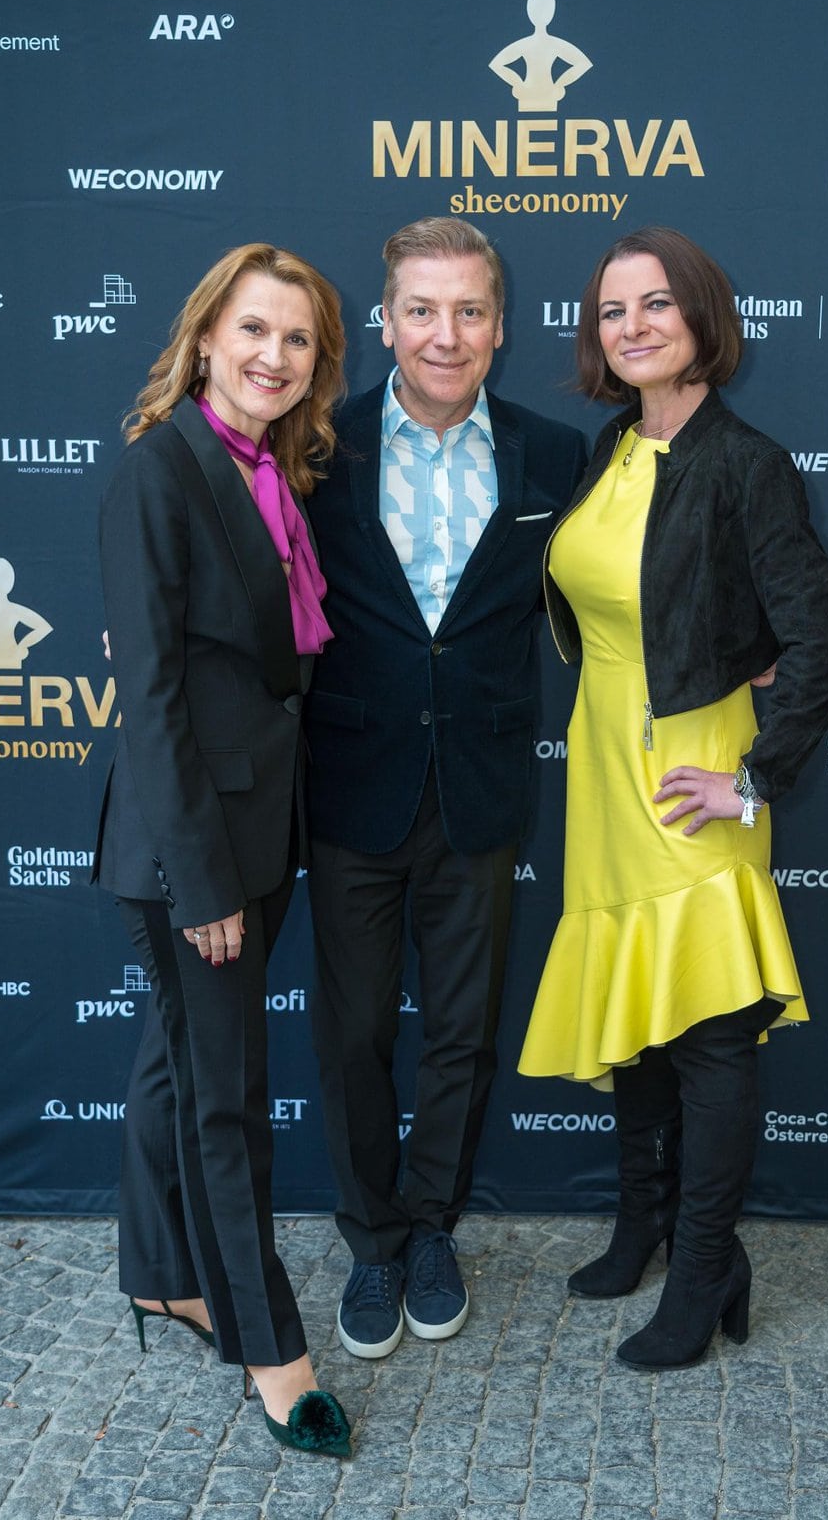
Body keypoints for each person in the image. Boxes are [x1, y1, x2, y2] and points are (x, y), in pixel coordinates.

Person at [518, 226, 828, 1370]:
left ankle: (707, 1263)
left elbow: (823, 640)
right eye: (613, 311)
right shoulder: (612, 445)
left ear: (702, 315)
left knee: (710, 1034)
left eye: (656, 303)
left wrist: (751, 778)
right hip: (603, 765)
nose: (633, 326)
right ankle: (644, 1226)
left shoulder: (745, 462)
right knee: (640, 1012)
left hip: (690, 775)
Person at [304, 217, 588, 1359]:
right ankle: (372, 1240)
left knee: (462, 1034)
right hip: (351, 783)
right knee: (355, 1032)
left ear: (500, 327)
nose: (445, 333)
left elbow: (620, 582)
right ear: (385, 321)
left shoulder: (553, 455)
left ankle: (431, 1228)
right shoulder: (315, 446)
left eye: (469, 310)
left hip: (480, 785)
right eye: (422, 309)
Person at [92, 243, 351, 1455]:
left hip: (256, 827)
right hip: (189, 852)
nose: (273, 355)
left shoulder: (269, 472)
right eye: (253, 328)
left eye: (297, 338)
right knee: (228, 1100)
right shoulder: (161, 471)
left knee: (178, 1063)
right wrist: (201, 882)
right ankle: (270, 1347)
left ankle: (162, 1274)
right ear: (205, 337)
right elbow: (150, 703)